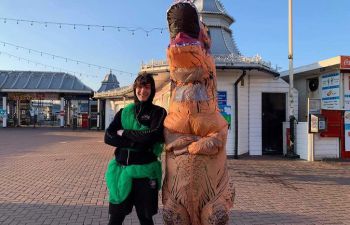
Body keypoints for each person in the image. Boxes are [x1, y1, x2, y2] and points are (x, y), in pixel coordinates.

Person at [104, 73, 167, 225]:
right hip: (121, 173)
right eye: (139, 87)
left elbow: (152, 136)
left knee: (145, 219)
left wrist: (124, 133)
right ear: (135, 89)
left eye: (147, 87)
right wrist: (134, 144)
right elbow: (108, 136)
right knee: (115, 219)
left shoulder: (158, 112)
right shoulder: (124, 112)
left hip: (145, 175)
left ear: (152, 90)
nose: (142, 91)